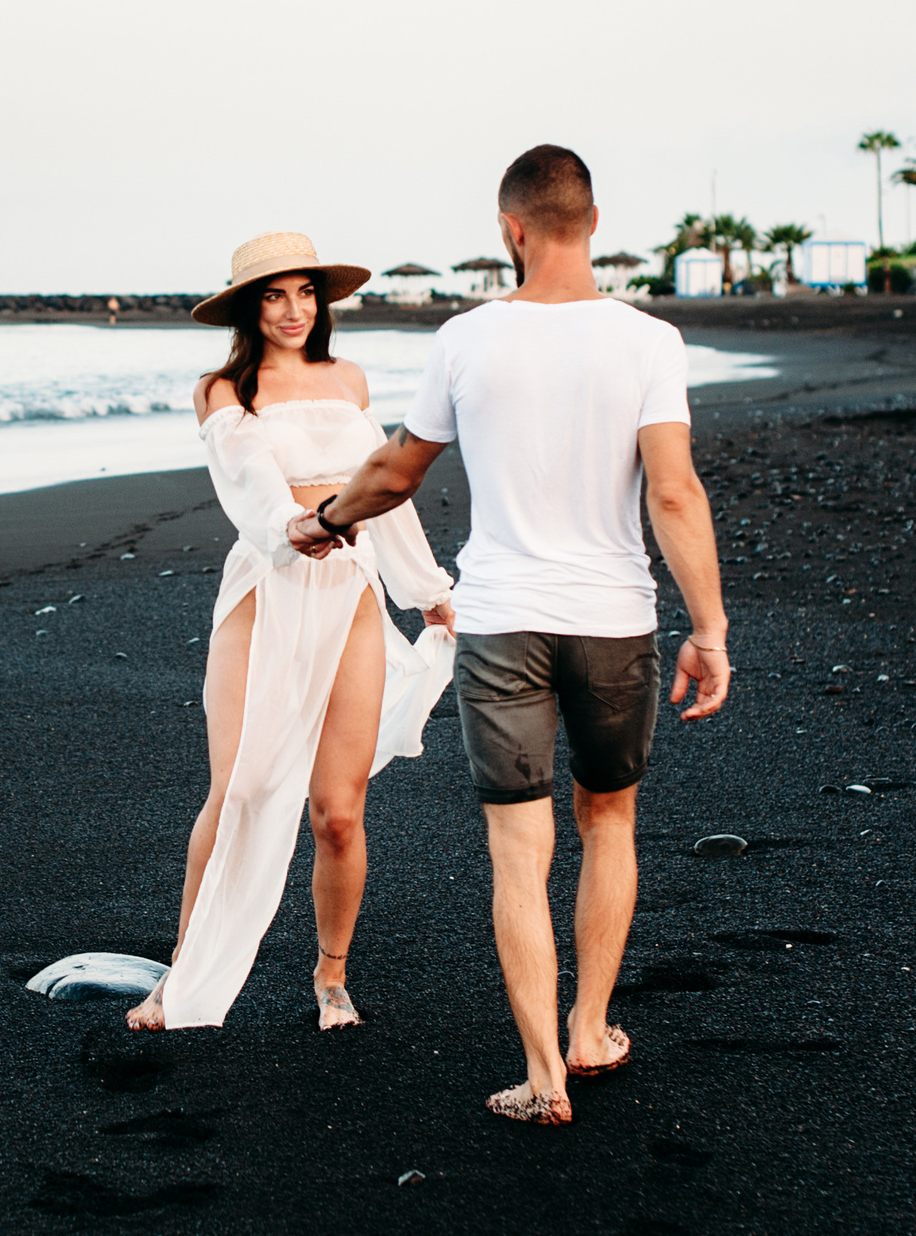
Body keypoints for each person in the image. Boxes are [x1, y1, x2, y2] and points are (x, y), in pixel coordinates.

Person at [288, 146, 733, 1124]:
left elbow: (396, 471)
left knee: (517, 848)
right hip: (614, 620)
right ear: (593, 222)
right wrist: (709, 626)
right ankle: (588, 1028)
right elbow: (671, 489)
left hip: (501, 626)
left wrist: (325, 521)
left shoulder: (466, 339)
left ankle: (541, 1076)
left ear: (511, 231)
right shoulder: (650, 341)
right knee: (607, 821)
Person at [126, 232, 459, 1034]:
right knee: (237, 789)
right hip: (266, 586)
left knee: (337, 812)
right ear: (249, 306)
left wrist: (427, 593)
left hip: (349, 587)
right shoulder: (222, 388)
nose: (292, 309)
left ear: (323, 300)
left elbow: (390, 490)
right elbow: (248, 486)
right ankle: (182, 973)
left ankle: (332, 977)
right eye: (273, 295)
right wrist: (297, 528)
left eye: (305, 292)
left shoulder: (349, 379)